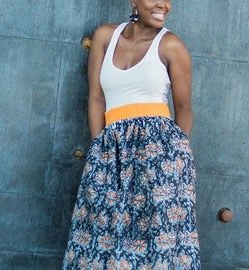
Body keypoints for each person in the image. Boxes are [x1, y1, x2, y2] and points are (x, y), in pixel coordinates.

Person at [63, 0, 201, 269]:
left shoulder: (172, 45)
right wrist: (99, 148)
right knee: (100, 235)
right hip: (110, 150)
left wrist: (174, 157)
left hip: (161, 158)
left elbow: (184, 109)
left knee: (156, 242)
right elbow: (95, 97)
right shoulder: (106, 35)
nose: (164, 5)